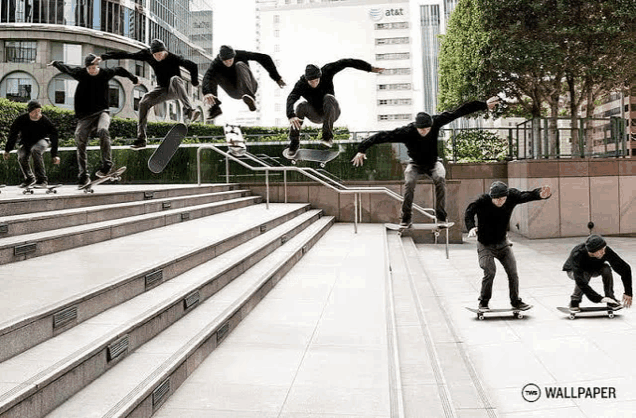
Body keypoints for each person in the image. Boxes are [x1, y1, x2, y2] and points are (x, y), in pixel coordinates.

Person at [353, 97, 500, 224]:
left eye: (427, 129)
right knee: (409, 183)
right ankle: (405, 217)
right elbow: (382, 136)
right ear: (416, 127)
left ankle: (441, 217)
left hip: (433, 164)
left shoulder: (436, 122)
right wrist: (362, 149)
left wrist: (484, 105)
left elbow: (459, 112)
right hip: (415, 165)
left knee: (440, 181)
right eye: (421, 130)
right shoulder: (407, 132)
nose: (425, 132)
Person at [49, 54, 138, 188]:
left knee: (103, 130)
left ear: (97, 66)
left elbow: (120, 69)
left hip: (103, 112)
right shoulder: (81, 73)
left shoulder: (105, 73)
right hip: (85, 116)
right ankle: (83, 175)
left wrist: (133, 78)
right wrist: (56, 63)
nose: (91, 71)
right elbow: (67, 69)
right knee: (79, 138)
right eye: (89, 68)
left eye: (93, 68)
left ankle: (107, 165)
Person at [464, 181, 552, 311]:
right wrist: (471, 227)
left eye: (503, 199)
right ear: (491, 197)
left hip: (503, 244)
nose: (500, 202)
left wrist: (540, 194)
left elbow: (526, 195)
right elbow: (469, 212)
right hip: (485, 245)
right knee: (490, 271)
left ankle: (516, 301)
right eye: (497, 200)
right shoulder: (483, 201)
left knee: (513, 273)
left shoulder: (511, 196)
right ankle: (483, 302)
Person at [101, 39, 200, 149]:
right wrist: (104, 57)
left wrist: (195, 81)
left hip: (175, 89)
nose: (158, 57)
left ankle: (189, 110)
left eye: (160, 54)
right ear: (151, 53)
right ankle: (141, 140)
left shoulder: (174, 58)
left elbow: (193, 66)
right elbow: (127, 55)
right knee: (144, 102)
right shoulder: (147, 54)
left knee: (175, 79)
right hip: (161, 89)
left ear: (165, 51)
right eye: (155, 55)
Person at [286, 59, 384, 156]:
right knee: (300, 106)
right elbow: (291, 98)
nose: (314, 84)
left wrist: (369, 68)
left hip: (332, 111)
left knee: (328, 97)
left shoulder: (327, 71)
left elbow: (346, 62)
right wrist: (291, 115)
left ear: (320, 76)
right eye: (311, 82)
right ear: (307, 80)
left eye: (316, 80)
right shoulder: (301, 84)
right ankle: (294, 143)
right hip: (316, 114)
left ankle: (327, 137)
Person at [202, 45, 285, 120]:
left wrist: (277, 78)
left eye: (230, 60)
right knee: (213, 74)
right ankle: (215, 108)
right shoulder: (216, 63)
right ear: (221, 59)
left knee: (239, 64)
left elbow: (265, 58)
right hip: (234, 91)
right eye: (225, 61)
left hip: (250, 86)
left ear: (234, 56)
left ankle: (250, 97)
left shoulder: (241, 54)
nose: (228, 63)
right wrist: (207, 92)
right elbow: (207, 77)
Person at [562, 234, 630, 311]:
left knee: (606, 268)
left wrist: (628, 292)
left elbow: (624, 268)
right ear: (593, 251)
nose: (604, 252)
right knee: (585, 273)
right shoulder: (578, 254)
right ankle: (574, 301)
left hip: (593, 268)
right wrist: (599, 299)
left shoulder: (606, 251)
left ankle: (610, 299)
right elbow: (580, 281)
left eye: (604, 249)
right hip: (573, 271)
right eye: (601, 251)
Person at [3, 100, 59, 188]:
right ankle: (30, 178)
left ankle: (42, 180)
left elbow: (54, 135)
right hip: (27, 142)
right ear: (30, 112)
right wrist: (7, 150)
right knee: (21, 155)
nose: (37, 114)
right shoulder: (21, 120)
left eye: (39, 111)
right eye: (35, 112)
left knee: (36, 150)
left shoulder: (44, 120)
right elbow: (13, 135)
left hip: (42, 140)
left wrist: (54, 154)